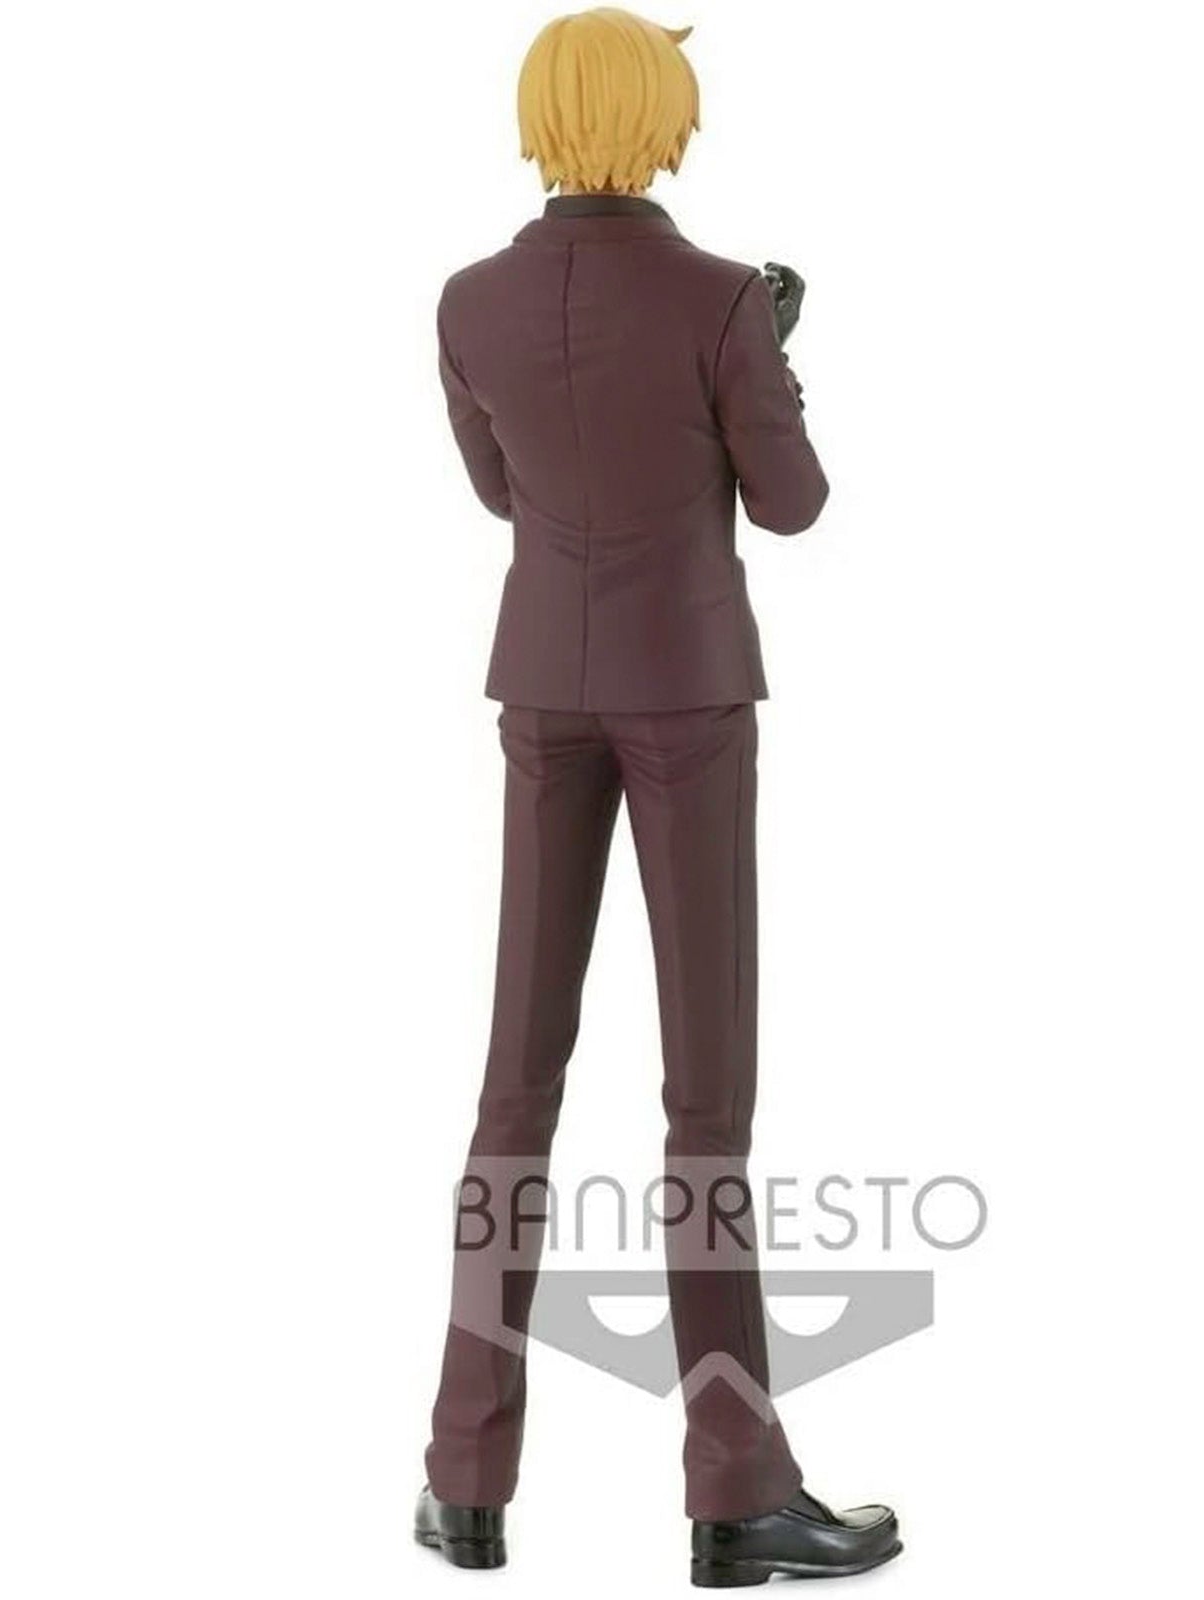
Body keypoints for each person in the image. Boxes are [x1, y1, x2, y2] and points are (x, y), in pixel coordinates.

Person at [415, 9, 900, 1584]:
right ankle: (735, 1493)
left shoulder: (468, 301)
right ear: (660, 118)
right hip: (687, 699)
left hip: (541, 697)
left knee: (514, 1090)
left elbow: (505, 491)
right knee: (706, 1107)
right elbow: (794, 504)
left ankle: (464, 1481)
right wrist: (776, 352)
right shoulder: (722, 295)